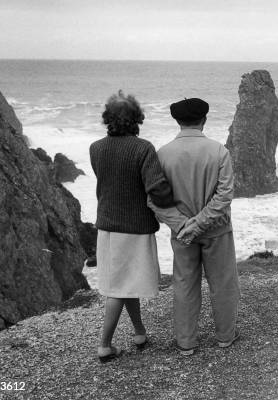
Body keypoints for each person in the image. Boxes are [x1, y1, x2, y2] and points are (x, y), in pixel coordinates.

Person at [148, 98, 240, 356]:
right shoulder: (219, 151)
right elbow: (224, 197)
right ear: (204, 119)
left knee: (185, 284)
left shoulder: (162, 154)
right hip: (217, 230)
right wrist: (199, 223)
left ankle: (186, 342)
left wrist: (183, 226)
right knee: (222, 283)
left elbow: (153, 199)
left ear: (177, 121)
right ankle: (225, 336)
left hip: (182, 234)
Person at [90, 91, 176, 363]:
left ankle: (139, 332)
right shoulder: (143, 149)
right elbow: (156, 188)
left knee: (123, 282)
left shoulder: (96, 148)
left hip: (107, 226)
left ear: (108, 119)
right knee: (119, 287)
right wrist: (176, 203)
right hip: (134, 226)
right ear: (137, 118)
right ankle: (104, 345)